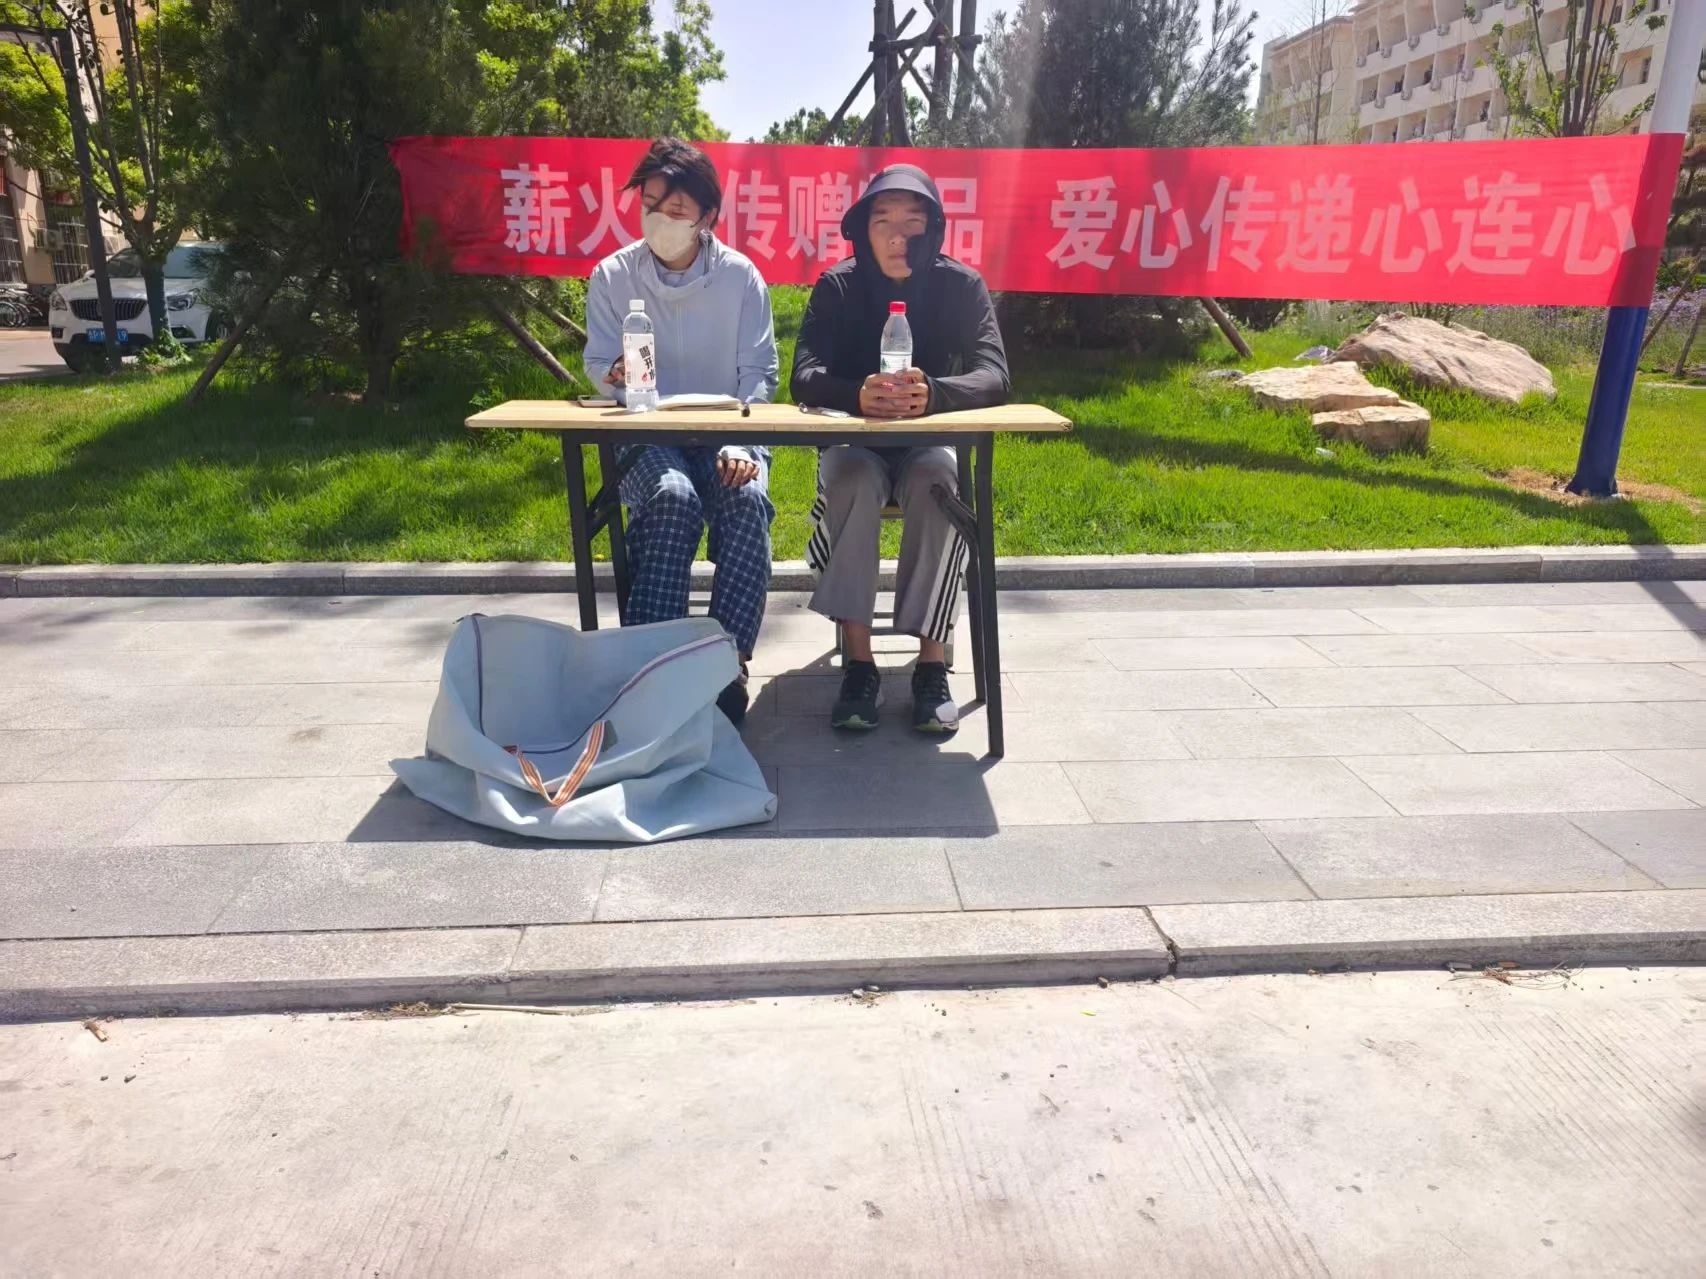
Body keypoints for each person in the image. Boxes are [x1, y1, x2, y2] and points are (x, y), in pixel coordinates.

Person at [791, 164, 1010, 734]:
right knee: (851, 479)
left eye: (913, 222)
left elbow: (995, 375)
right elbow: (803, 375)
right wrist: (855, 394)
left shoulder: (960, 286)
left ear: (933, 228)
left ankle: (931, 665)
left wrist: (935, 394)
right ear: (862, 230)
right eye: (882, 221)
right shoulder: (838, 286)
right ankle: (859, 666)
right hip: (855, 444)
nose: (897, 236)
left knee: (939, 483)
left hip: (927, 444)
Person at [583, 138, 779, 725]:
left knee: (746, 499)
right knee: (672, 497)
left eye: (675, 211)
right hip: (649, 433)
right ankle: (652, 662)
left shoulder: (741, 278)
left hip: (727, 432)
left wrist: (743, 441)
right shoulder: (613, 275)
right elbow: (598, 363)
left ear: (707, 217)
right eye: (650, 206)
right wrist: (614, 377)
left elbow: (759, 374)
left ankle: (726, 664)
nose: (659, 221)